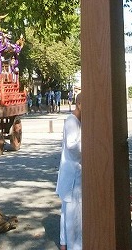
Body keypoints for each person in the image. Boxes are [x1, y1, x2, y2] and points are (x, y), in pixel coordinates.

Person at [56, 92, 82, 250]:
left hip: (73, 173)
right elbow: (73, 146)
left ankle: (64, 243)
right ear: (79, 104)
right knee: (73, 215)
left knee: (67, 212)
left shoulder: (78, 121)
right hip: (73, 175)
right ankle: (75, 246)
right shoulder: (72, 122)